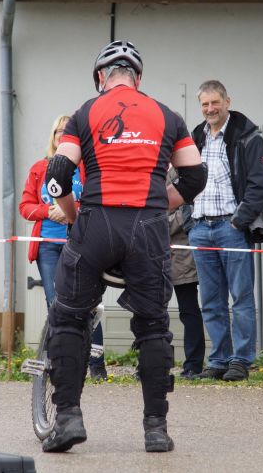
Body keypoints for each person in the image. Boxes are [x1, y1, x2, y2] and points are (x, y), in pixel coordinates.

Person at [41, 40, 205, 453]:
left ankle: (67, 419)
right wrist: (159, 204)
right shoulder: (168, 116)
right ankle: (156, 429)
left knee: (69, 318)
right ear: (138, 78)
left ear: (101, 77)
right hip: (147, 228)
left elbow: (57, 174)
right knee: (154, 326)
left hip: (96, 223)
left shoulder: (85, 112)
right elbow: (195, 176)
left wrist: (73, 216)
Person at [187, 80, 263, 382]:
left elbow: (260, 185)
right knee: (211, 301)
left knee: (241, 297)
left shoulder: (248, 137)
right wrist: (188, 221)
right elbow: (183, 179)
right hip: (200, 228)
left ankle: (241, 360)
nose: (210, 109)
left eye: (215, 103)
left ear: (227, 102)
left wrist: (238, 222)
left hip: (230, 227)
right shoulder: (196, 137)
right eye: (205, 104)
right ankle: (219, 360)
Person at [19, 115, 106, 380]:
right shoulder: (39, 168)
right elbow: (25, 207)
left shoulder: (88, 168)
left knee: (88, 302)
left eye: (67, 132)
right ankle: (60, 362)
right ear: (53, 136)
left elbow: (97, 202)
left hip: (80, 244)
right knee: (55, 303)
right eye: (58, 131)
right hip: (47, 246)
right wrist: (48, 211)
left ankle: (96, 364)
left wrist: (70, 209)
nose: (61, 135)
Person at [167, 175, 205, 379]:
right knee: (153, 313)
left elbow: (185, 217)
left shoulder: (185, 174)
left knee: (188, 310)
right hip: (155, 256)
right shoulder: (150, 170)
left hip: (182, 257)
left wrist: (154, 221)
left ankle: (193, 365)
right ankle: (154, 363)